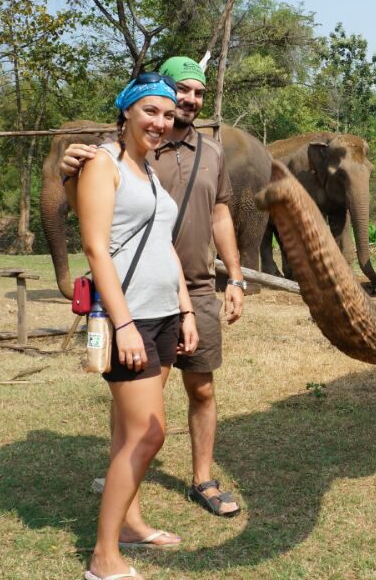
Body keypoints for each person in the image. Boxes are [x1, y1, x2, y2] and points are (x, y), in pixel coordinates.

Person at [63, 56, 246, 519]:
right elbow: (95, 225)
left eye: (196, 94)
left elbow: (221, 213)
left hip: (195, 289)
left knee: (201, 388)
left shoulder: (211, 152)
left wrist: (237, 276)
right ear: (136, 108)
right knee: (141, 401)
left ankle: (202, 478)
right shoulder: (130, 150)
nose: (187, 101)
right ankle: (126, 490)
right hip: (139, 296)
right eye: (178, 91)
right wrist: (69, 175)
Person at [77, 73, 199, 580]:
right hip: (131, 319)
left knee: (132, 431)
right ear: (125, 111)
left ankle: (129, 525)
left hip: (164, 314)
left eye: (168, 115)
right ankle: (103, 556)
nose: (161, 122)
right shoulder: (102, 165)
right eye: (150, 111)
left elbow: (164, 246)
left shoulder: (147, 171)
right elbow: (95, 248)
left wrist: (186, 308)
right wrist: (124, 324)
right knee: (149, 435)